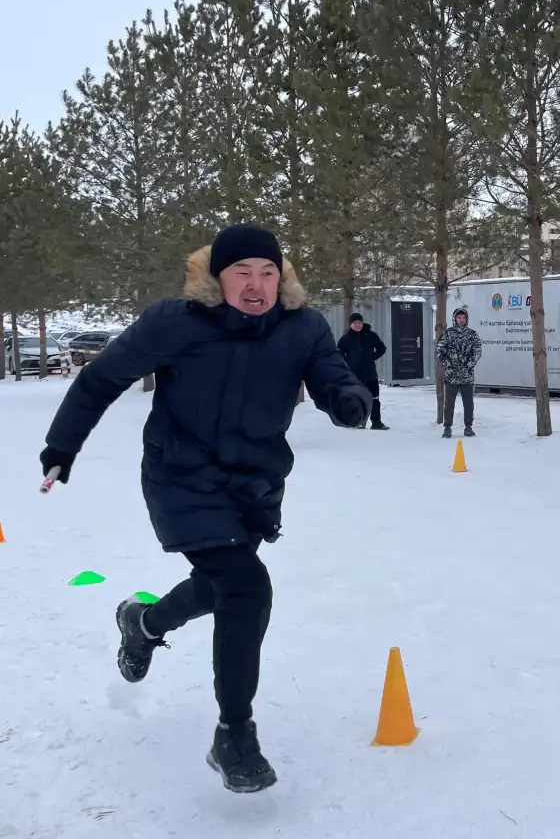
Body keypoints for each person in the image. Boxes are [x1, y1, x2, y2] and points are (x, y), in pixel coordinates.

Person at [38, 224, 371, 794]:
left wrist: (350, 400)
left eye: (268, 273)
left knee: (220, 586)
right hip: (180, 478)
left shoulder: (304, 327)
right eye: (243, 272)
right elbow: (99, 379)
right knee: (245, 587)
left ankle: (141, 622)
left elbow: (334, 377)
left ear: (281, 278)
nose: (256, 284)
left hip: (254, 486)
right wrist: (62, 447)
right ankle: (233, 733)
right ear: (218, 277)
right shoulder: (176, 321)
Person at [436, 305, 483, 438]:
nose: (461, 320)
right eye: (459, 317)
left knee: (468, 403)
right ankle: (447, 428)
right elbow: (440, 350)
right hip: (451, 376)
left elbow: (478, 351)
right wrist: (447, 366)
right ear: (455, 319)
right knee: (449, 404)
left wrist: (470, 364)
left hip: (467, 376)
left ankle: (468, 427)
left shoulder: (472, 334)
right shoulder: (448, 334)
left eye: (463, 317)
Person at [338, 312, 389, 430]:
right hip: (354, 375)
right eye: (355, 323)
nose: (357, 325)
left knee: (374, 398)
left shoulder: (371, 335)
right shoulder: (345, 339)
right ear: (350, 324)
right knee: (357, 398)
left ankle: (376, 422)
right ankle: (360, 421)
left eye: (359, 322)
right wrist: (348, 361)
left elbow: (382, 348)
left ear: (362, 322)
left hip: (370, 373)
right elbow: (338, 353)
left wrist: (372, 357)